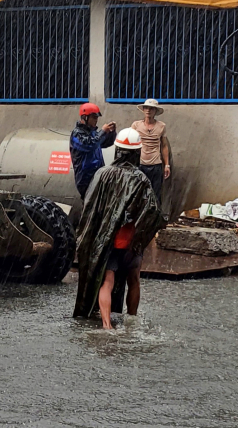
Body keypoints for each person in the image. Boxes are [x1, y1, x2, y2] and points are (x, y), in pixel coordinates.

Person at [73, 127, 167, 329]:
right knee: (134, 279)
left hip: (109, 240)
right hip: (132, 240)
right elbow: (153, 211)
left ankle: (107, 325)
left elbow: (90, 207)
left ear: (117, 150)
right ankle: (131, 319)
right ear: (136, 153)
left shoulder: (102, 174)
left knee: (107, 280)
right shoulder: (141, 179)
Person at [68, 102, 116, 198]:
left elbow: (105, 143)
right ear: (85, 117)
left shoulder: (93, 133)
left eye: (97, 118)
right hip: (85, 178)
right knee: (89, 205)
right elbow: (90, 145)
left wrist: (111, 132)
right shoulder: (77, 134)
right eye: (94, 117)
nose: (96, 120)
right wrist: (103, 132)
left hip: (97, 174)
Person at [131, 98, 170, 201]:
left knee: (155, 195)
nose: (148, 110)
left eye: (151, 109)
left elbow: (164, 146)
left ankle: (153, 216)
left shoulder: (161, 126)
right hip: (140, 164)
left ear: (155, 111)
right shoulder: (136, 125)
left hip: (155, 165)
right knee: (138, 194)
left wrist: (167, 165)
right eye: (146, 108)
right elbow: (130, 143)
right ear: (143, 110)